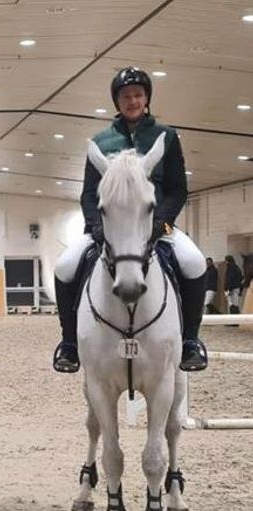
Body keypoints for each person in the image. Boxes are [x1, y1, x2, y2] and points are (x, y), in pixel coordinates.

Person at [52, 67, 207, 373]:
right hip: (109, 228)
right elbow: (87, 193)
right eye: (126, 96)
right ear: (117, 101)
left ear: (146, 98)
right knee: (65, 266)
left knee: (194, 262)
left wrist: (161, 221)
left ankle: (190, 341)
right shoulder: (102, 141)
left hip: (155, 224)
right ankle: (69, 344)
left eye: (138, 95)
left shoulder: (167, 136)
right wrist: (96, 226)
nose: (132, 101)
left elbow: (177, 189)